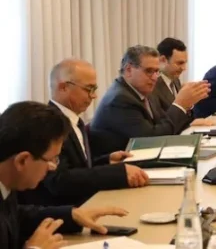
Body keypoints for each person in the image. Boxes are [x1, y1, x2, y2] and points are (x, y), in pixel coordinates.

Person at [18, 59, 149, 207]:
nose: (94, 96)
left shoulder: (76, 120)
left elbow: (78, 167)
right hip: (63, 209)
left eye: (95, 89)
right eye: (89, 89)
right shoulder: (46, 125)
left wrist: (107, 161)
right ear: (63, 87)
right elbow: (58, 180)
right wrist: (117, 173)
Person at [0, 101, 127, 249]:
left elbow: (16, 216)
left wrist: (72, 215)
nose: (53, 167)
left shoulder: (7, 180)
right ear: (22, 160)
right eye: (51, 159)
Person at [91, 45, 210, 155]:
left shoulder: (143, 91)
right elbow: (152, 141)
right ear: (129, 70)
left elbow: (163, 124)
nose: (154, 77)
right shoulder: (120, 100)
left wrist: (187, 106)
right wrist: (180, 104)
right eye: (148, 71)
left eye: (157, 71)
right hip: (123, 164)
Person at [153, 38, 214, 127]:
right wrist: (189, 123)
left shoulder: (175, 80)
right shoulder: (153, 85)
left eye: (185, 63)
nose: (184, 68)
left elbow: (182, 113)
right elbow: (161, 122)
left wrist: (191, 102)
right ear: (163, 60)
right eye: (179, 63)